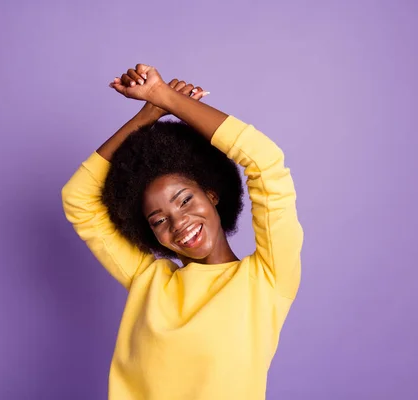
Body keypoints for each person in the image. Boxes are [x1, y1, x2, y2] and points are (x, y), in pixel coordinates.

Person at [62, 63, 303, 399]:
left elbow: (265, 162)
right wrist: (148, 115)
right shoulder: (149, 281)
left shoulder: (267, 278)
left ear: (213, 195)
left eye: (185, 200)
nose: (179, 223)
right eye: (159, 220)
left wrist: (165, 96)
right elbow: (77, 200)